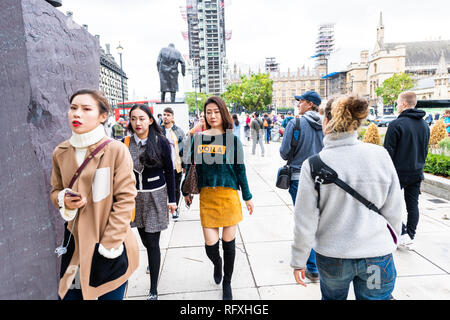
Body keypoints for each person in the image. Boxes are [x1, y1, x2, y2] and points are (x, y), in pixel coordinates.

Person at [291, 95, 402, 300]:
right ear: (357, 124)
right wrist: (389, 240)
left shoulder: (314, 164)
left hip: (334, 257)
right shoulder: (380, 155)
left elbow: (305, 220)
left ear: (326, 121)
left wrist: (299, 259)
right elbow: (394, 208)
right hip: (375, 257)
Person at [50, 89, 139, 300]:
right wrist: (64, 199)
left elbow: (126, 199)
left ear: (102, 116)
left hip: (109, 246)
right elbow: (55, 191)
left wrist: (109, 245)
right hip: (75, 245)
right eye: (73, 108)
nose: (77, 114)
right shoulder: (60, 152)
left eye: (86, 109)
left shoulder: (116, 150)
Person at [182, 96, 254, 300]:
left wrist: (247, 196)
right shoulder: (197, 139)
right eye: (208, 112)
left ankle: (227, 282)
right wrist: (186, 191)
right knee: (211, 246)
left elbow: (241, 170)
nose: (212, 115)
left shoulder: (233, 139)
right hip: (207, 197)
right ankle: (217, 264)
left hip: (228, 197)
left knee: (228, 243)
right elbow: (190, 166)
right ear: (204, 115)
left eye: (216, 111)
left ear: (223, 113)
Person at [124, 104, 177, 300]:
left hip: (156, 195)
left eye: (142, 118)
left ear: (150, 120)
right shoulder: (125, 143)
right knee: (145, 239)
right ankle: (151, 257)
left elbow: (170, 172)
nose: (137, 122)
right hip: (135, 198)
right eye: (133, 119)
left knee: (153, 242)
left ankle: (153, 288)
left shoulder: (161, 142)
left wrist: (172, 200)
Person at [280, 91, 324, 283]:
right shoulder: (326, 123)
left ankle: (312, 267)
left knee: (304, 221)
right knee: (320, 220)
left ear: (309, 104)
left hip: (299, 177)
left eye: (301, 101)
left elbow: (284, 152)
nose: (298, 104)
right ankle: (320, 262)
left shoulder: (295, 123)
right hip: (323, 178)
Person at [384, 91, 430, 250]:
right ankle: (410, 235)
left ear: (404, 104)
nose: (396, 106)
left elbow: (387, 153)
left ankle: (403, 233)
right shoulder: (424, 125)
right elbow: (425, 150)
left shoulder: (396, 124)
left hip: (398, 173)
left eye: (397, 103)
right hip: (417, 172)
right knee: (413, 206)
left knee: (389, 205)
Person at [161, 107, 186, 220]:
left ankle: (175, 209)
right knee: (161, 189)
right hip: (161, 166)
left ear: (172, 117)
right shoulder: (158, 130)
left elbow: (184, 148)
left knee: (175, 188)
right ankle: (162, 210)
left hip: (176, 165)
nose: (165, 117)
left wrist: (185, 165)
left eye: (168, 115)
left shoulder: (178, 131)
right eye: (164, 114)